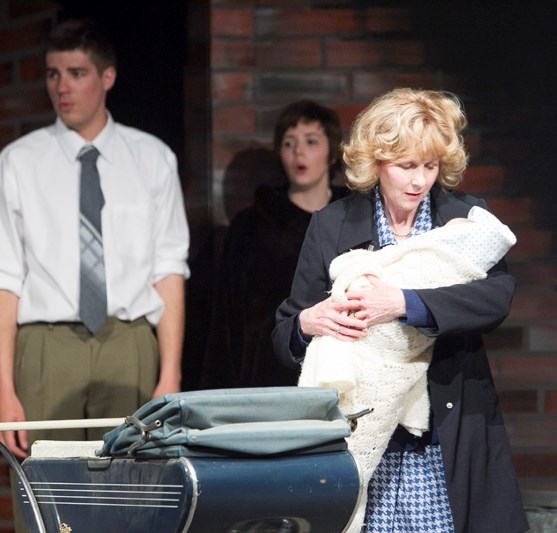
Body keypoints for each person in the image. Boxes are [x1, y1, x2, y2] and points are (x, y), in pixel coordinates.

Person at [273, 88, 527, 533]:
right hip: (364, 433)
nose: (419, 181)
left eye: (429, 166)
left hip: (445, 433)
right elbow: (283, 331)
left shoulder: (464, 218)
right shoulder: (333, 224)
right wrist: (308, 323)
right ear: (376, 161)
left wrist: (405, 303)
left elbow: (497, 297)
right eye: (406, 166)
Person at [0, 19, 190, 457]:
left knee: (131, 490)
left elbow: (168, 271)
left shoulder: (152, 158)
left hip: (128, 342)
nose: (61, 87)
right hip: (46, 347)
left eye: (76, 73)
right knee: (47, 492)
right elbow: (7, 278)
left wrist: (170, 376)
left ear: (107, 77)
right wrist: (6, 388)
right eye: (52, 74)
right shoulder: (19, 162)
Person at [202, 100, 348, 388]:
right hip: (267, 373)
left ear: (331, 153)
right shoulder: (253, 223)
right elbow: (227, 316)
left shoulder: (353, 217)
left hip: (342, 368)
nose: (299, 152)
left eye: (311, 141)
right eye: (289, 143)